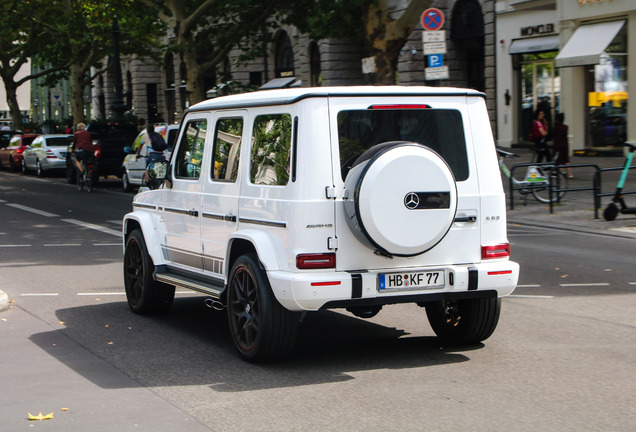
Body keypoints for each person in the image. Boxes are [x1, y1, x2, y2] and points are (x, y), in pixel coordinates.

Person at [553, 112, 573, 178]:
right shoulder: (565, 127)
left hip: (558, 145)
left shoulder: (556, 127)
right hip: (565, 145)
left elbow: (553, 136)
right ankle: (570, 174)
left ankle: (560, 173)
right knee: (566, 160)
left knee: (559, 160)